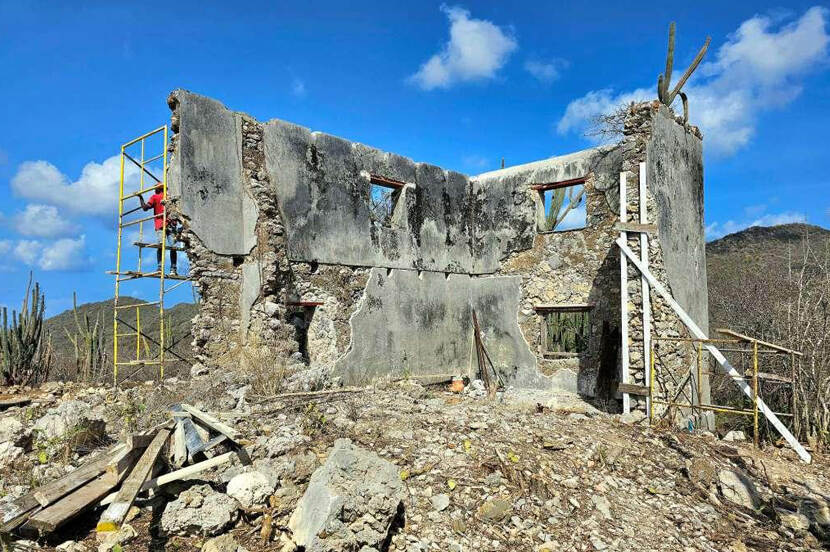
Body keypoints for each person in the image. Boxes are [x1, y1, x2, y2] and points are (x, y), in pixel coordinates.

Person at [138, 184, 178, 275]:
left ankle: (160, 268)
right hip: (172, 224)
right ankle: (173, 269)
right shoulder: (169, 198)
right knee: (173, 247)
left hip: (160, 225)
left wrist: (140, 197)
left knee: (160, 246)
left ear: (157, 189)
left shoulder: (155, 197)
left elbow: (145, 208)